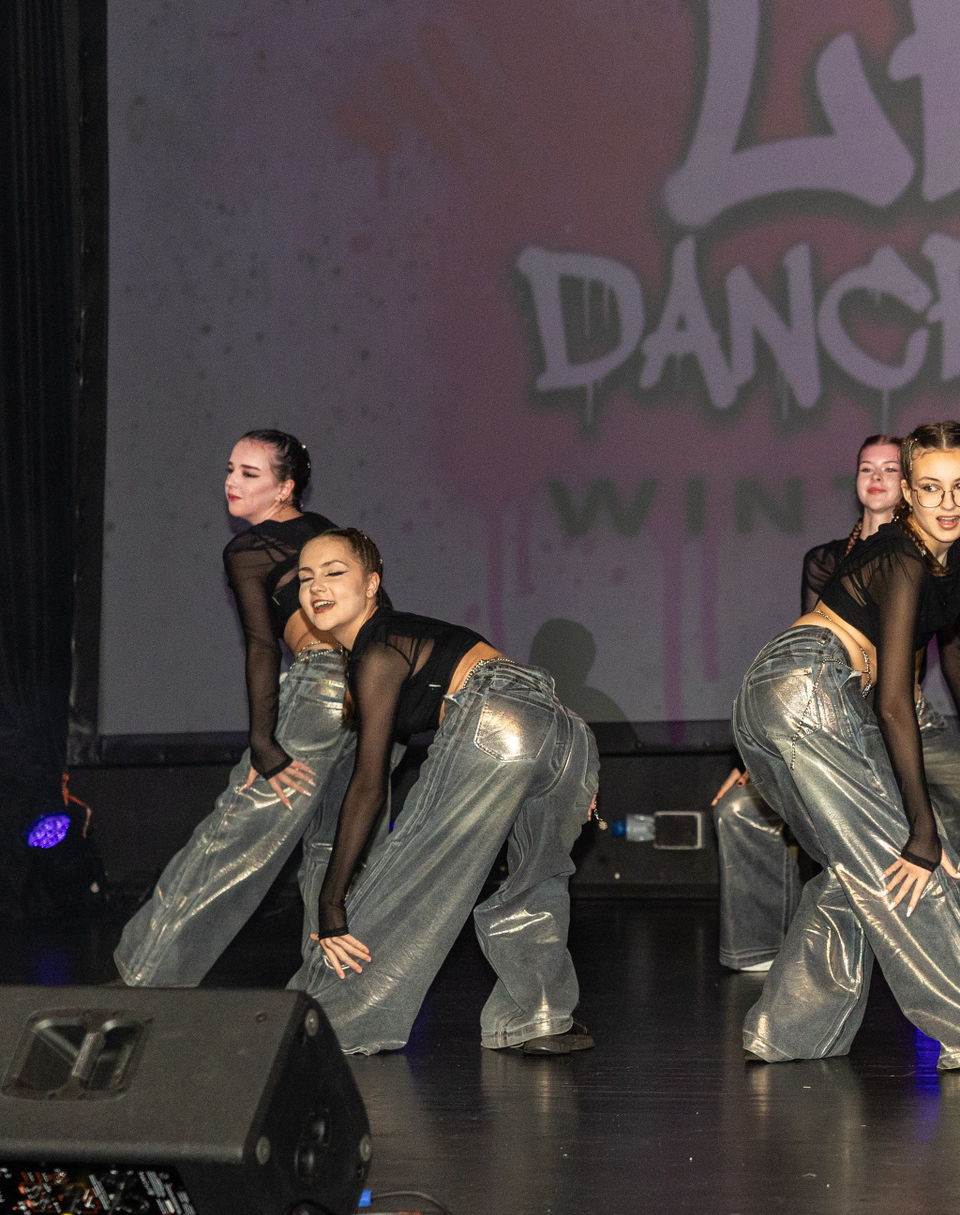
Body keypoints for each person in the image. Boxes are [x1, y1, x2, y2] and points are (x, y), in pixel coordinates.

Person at [732, 421, 960, 1070]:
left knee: (856, 868)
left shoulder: (941, 560)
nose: (947, 502)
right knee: (911, 861)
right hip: (812, 688)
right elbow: (891, 701)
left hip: (775, 694)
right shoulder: (906, 556)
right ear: (908, 492)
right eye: (931, 488)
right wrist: (922, 828)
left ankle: (786, 1031)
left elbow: (948, 655)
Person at [288, 528, 599, 1056]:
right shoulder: (400, 640)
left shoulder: (378, 647)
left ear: (372, 584)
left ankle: (319, 1023)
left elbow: (369, 784)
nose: (317, 586)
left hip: (498, 716)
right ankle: (540, 1017)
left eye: (334, 572)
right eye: (305, 578)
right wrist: (576, 771)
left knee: (411, 864)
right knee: (536, 880)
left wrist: (330, 902)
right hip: (564, 731)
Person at [117, 431, 371, 985]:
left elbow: (261, 644)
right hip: (374, 691)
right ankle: (332, 994)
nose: (231, 482)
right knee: (338, 852)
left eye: (249, 474)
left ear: (285, 488)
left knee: (231, 839)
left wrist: (263, 742)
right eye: (230, 469)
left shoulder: (249, 549)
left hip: (324, 689)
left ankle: (143, 981)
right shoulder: (326, 532)